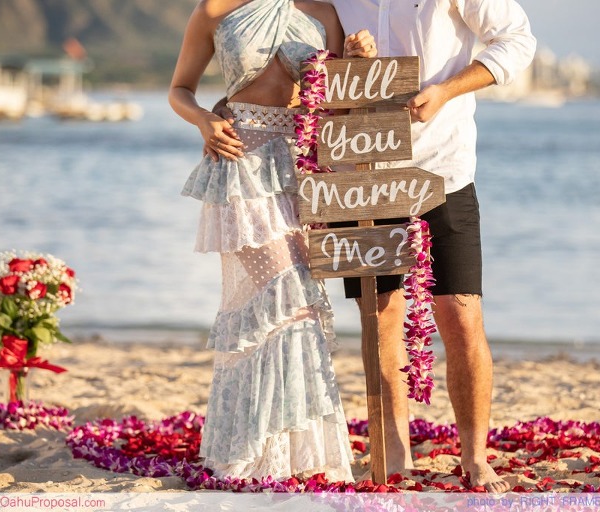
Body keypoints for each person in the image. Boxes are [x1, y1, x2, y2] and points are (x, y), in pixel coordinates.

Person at [322, 0, 537, 493]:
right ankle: (394, 453)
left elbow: (518, 40)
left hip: (444, 171)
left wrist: (446, 90)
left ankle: (475, 457)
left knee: (461, 317)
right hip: (364, 175)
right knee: (381, 318)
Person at [168, 0, 377, 481]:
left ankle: (290, 451)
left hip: (303, 168)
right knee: (283, 295)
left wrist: (356, 61)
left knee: (299, 301)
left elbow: (338, 103)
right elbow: (179, 89)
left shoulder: (326, 13)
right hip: (240, 160)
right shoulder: (216, 8)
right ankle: (257, 450)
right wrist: (203, 119)